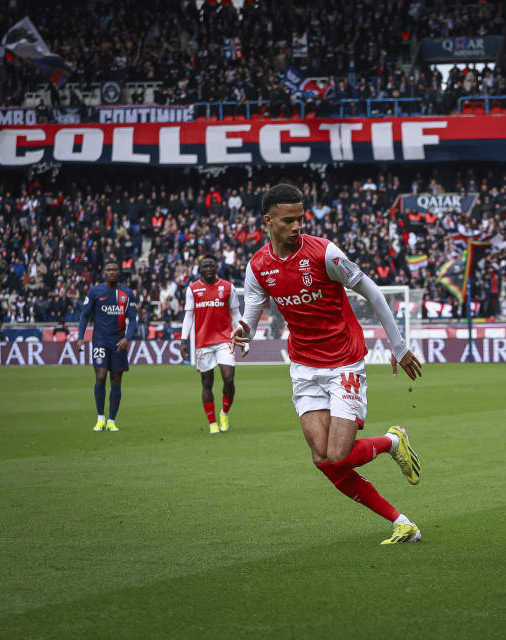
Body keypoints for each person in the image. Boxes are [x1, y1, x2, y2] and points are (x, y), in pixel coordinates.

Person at [232, 183, 425, 545]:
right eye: (288, 220)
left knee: (338, 454)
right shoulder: (258, 267)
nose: (296, 226)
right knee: (323, 459)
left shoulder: (325, 253)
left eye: (300, 219)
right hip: (304, 368)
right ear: (268, 221)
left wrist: (398, 347)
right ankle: (403, 523)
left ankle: (390, 442)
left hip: (344, 363)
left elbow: (372, 290)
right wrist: (242, 331)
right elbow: (251, 317)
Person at [180, 254, 243, 434]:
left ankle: (224, 412)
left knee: (229, 378)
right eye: (204, 266)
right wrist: (183, 340)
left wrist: (242, 335)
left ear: (216, 268)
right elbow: (188, 316)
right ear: (200, 270)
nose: (208, 269)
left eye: (211, 266)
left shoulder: (227, 287)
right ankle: (212, 423)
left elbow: (235, 314)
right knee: (207, 383)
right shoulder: (192, 289)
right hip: (203, 342)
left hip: (225, 339)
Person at [77, 260, 137, 432]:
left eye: (114, 269)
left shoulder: (127, 294)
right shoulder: (95, 292)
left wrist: (127, 337)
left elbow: (133, 319)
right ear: (104, 272)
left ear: (119, 273)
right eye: (108, 269)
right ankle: (100, 418)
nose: (111, 272)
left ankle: (111, 420)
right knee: (101, 376)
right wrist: (81, 337)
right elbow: (84, 315)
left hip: (118, 342)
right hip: (100, 341)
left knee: (116, 380)